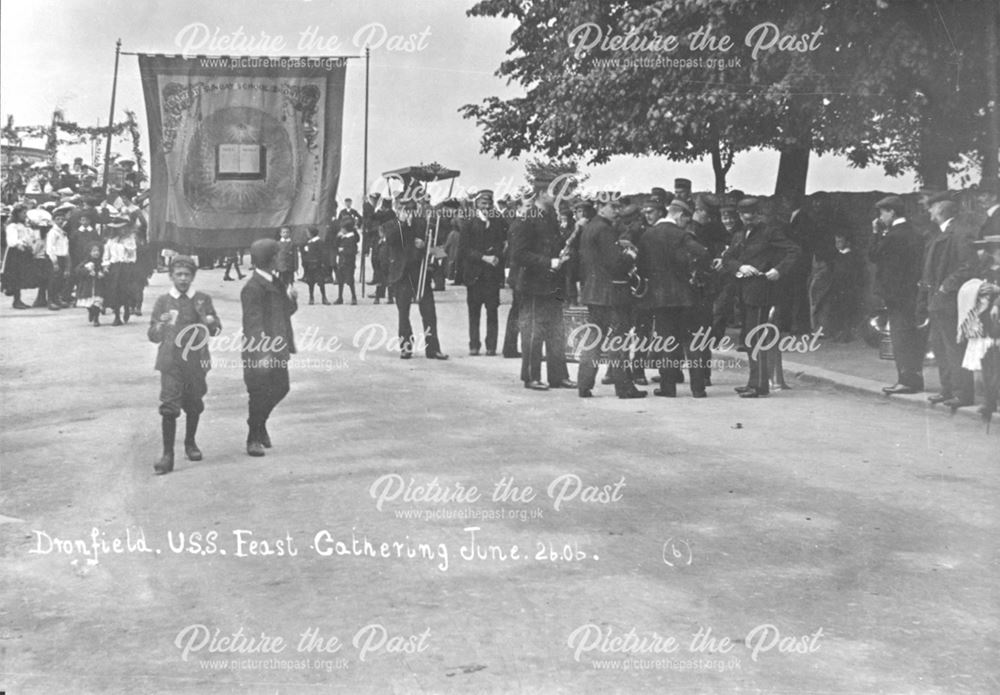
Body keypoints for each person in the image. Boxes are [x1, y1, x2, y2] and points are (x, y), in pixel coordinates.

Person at [147, 255, 222, 475]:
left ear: (193, 276)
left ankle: (190, 442)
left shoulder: (202, 299)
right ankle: (167, 454)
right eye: (178, 274)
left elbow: (216, 329)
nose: (182, 279)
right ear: (171, 276)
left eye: (187, 275)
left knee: (193, 402)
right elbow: (152, 335)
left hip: (196, 360)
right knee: (169, 406)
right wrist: (160, 326)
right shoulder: (163, 301)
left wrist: (211, 322)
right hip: (171, 360)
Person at [722, 197, 801, 398]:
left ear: (758, 214)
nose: (748, 218)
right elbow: (727, 258)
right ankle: (753, 381)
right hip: (744, 291)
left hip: (762, 291)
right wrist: (740, 266)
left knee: (756, 338)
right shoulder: (740, 234)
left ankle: (759, 385)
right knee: (749, 340)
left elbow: (794, 251)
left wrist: (778, 270)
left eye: (752, 214)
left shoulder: (770, 232)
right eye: (743, 215)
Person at [639, 197, 710, 398]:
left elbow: (642, 267)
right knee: (691, 341)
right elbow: (703, 254)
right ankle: (698, 388)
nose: (686, 223)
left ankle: (668, 387)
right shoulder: (681, 235)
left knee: (667, 343)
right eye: (686, 220)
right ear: (680, 215)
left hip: (659, 298)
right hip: (685, 296)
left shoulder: (647, 235)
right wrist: (691, 271)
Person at [577, 198, 645, 399]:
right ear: (600, 207)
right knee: (618, 343)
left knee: (593, 341)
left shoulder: (590, 227)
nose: (617, 211)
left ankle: (584, 384)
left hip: (594, 293)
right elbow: (615, 264)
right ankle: (624, 387)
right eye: (613, 207)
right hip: (612, 294)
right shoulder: (605, 230)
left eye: (618, 207)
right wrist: (630, 255)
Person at [509, 189, 575, 390]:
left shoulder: (550, 218)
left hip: (552, 283)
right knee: (533, 332)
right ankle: (531, 376)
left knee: (556, 331)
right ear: (539, 194)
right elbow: (518, 254)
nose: (556, 196)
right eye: (552, 192)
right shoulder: (527, 220)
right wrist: (549, 261)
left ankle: (558, 376)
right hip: (533, 284)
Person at [918, 193, 978, 409]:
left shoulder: (959, 233)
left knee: (953, 347)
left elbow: (969, 266)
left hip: (950, 300)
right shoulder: (941, 233)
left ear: (942, 209)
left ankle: (962, 394)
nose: (929, 211)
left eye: (932, 207)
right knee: (941, 347)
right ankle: (948, 390)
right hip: (938, 300)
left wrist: (945, 286)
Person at [242, 238, 297, 457]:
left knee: (281, 387)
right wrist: (261, 352)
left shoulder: (276, 282)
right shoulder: (252, 288)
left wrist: (292, 300)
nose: (281, 257)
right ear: (270, 259)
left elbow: (284, 311)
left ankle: (258, 423)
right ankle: (252, 438)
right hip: (260, 351)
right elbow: (252, 325)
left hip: (278, 347)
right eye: (278, 254)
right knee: (258, 393)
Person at [869, 195, 926, 394]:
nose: (881, 217)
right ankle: (914, 378)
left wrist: (876, 232)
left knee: (900, 337)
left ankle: (906, 381)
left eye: (882, 213)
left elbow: (873, 255)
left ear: (892, 212)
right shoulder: (914, 233)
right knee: (912, 336)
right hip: (912, 291)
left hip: (896, 295)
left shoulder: (892, 236)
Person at [384, 199, 449, 360]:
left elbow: (437, 246)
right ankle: (406, 348)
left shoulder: (422, 223)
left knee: (429, 313)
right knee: (403, 314)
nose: (408, 212)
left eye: (412, 209)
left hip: (421, 274)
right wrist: (403, 223)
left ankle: (433, 349)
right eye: (404, 209)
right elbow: (391, 240)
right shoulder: (391, 224)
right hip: (402, 276)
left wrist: (424, 243)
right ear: (397, 209)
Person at [461, 190, 508, 355]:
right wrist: (483, 257)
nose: (486, 207)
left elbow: (503, 243)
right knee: (474, 312)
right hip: (474, 275)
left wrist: (497, 256)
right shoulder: (468, 222)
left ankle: (491, 346)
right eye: (483, 203)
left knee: (492, 311)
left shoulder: (497, 222)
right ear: (476, 205)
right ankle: (474, 345)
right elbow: (464, 249)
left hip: (492, 276)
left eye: (489, 203)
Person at [102, 217, 139, 326]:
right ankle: (117, 316)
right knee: (115, 291)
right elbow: (106, 255)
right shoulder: (111, 241)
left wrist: (125, 244)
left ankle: (127, 308)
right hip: (115, 267)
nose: (121, 231)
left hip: (127, 267)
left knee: (126, 290)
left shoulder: (130, 240)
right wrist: (106, 265)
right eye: (118, 229)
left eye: (123, 228)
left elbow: (133, 255)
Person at [45, 210, 72, 310]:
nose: (60, 221)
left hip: (63, 257)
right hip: (55, 258)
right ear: (53, 220)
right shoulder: (52, 232)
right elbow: (50, 248)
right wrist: (55, 262)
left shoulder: (62, 232)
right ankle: (50, 301)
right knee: (53, 280)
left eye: (62, 219)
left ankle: (57, 298)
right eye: (58, 219)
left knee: (61, 280)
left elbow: (65, 247)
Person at [75, 244, 105, 326]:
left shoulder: (102, 262)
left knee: (97, 303)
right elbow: (78, 270)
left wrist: (102, 273)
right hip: (88, 287)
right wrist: (87, 271)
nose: (96, 253)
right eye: (94, 251)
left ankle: (96, 319)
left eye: (97, 251)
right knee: (88, 303)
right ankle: (91, 311)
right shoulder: (86, 262)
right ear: (89, 252)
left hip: (99, 287)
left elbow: (106, 270)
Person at [300, 226, 331, 305]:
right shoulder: (308, 242)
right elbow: (304, 253)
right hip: (309, 265)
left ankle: (324, 297)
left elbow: (323, 254)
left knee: (321, 282)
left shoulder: (319, 242)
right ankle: (311, 297)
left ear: (312, 234)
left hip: (318, 265)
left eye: (308, 233)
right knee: (310, 282)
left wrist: (323, 263)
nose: (307, 234)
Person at [334, 216, 360, 304]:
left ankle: (354, 297)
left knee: (350, 280)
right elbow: (336, 245)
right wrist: (338, 237)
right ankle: (340, 297)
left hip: (349, 262)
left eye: (342, 228)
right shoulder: (343, 237)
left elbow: (353, 251)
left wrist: (343, 250)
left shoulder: (352, 238)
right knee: (340, 280)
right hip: (341, 261)